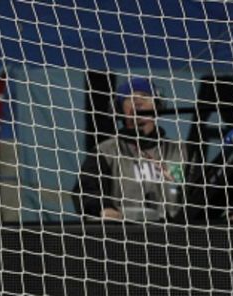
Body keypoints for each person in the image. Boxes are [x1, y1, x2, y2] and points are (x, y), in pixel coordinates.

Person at [74, 77, 189, 222]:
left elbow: (198, 191)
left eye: (145, 96)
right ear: (119, 109)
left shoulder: (180, 151)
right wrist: (104, 208)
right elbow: (85, 191)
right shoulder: (105, 151)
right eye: (130, 98)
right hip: (125, 236)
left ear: (157, 105)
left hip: (177, 235)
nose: (138, 102)